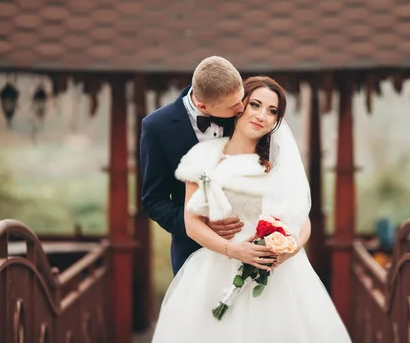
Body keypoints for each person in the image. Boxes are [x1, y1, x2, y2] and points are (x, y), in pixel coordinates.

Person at [151, 76, 352, 342]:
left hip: (279, 273)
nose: (262, 115)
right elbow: (192, 222)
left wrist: (290, 249)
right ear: (238, 106)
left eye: (272, 111)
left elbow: (302, 220)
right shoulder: (202, 157)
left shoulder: (277, 164)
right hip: (218, 265)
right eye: (255, 105)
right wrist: (233, 250)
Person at [140, 56, 247, 275]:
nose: (242, 107)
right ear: (202, 105)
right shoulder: (157, 127)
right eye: (233, 105)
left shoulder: (246, 113)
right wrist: (201, 223)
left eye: (242, 98)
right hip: (192, 253)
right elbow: (154, 200)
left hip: (249, 242)